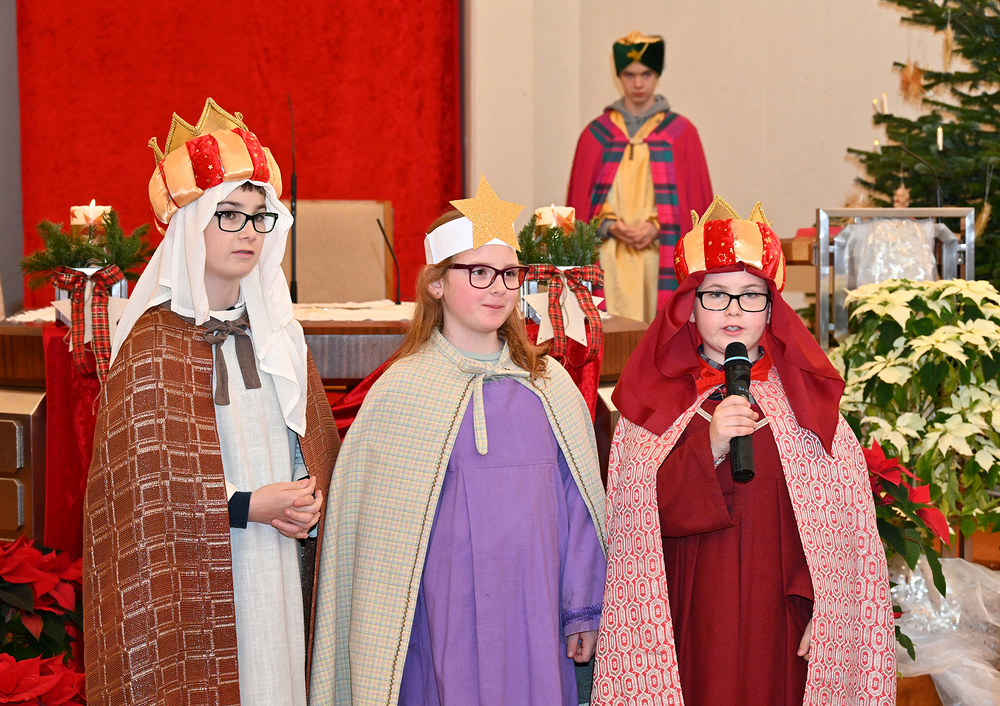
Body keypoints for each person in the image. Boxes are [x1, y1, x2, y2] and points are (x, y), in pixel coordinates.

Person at [309, 177, 608, 706]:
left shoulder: (548, 385)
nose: (498, 288)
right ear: (437, 284)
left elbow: (579, 502)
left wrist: (581, 606)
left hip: (535, 610)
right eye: (478, 272)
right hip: (440, 616)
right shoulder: (402, 392)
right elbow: (373, 541)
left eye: (509, 273)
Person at [83, 99, 340, 706]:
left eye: (259, 216)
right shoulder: (152, 344)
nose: (248, 231)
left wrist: (308, 495)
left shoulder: (279, 331)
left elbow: (309, 440)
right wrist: (248, 505)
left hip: (280, 560)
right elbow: (142, 496)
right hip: (199, 572)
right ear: (189, 224)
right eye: (228, 214)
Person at [591, 197, 896, 705]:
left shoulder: (807, 408)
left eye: (751, 295)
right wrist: (709, 446)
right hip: (690, 618)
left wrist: (826, 605)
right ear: (689, 307)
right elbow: (635, 522)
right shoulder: (650, 408)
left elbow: (844, 528)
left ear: (772, 309)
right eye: (716, 295)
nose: (733, 310)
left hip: (781, 619)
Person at [567, 30, 713, 323]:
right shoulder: (595, 135)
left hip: (661, 257)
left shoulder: (681, 134)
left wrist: (659, 225)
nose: (637, 84)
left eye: (646, 74)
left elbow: (699, 208)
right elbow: (579, 208)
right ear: (618, 76)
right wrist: (608, 225)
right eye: (629, 75)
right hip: (607, 259)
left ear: (658, 75)